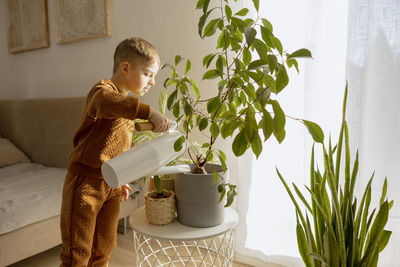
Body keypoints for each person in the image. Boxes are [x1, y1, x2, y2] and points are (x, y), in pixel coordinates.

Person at [59, 37, 169, 267]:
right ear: (125, 67)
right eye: (148, 74)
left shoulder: (126, 107)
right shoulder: (102, 93)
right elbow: (109, 104)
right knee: (77, 251)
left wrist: (120, 177)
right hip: (85, 182)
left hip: (111, 184)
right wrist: (149, 113)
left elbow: (115, 147)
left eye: (154, 76)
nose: (152, 82)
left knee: (104, 247)